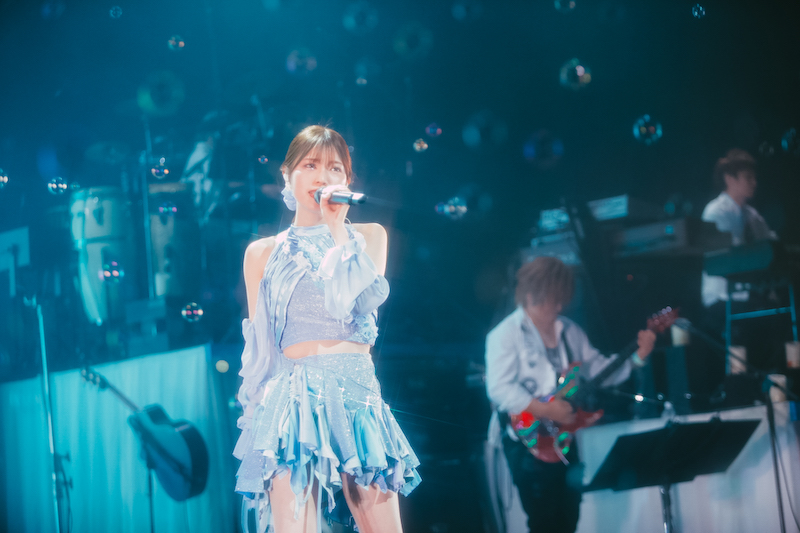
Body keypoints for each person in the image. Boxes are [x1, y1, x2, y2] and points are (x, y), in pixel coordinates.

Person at [233, 125, 420, 533]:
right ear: (287, 175)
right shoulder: (261, 253)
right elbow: (260, 348)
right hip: (292, 401)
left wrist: (338, 228)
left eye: (335, 168)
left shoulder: (368, 237)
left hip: (357, 395)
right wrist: (258, 420)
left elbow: (357, 302)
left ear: (347, 180)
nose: (323, 176)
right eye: (310, 165)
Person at [485, 257, 655, 533]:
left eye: (561, 299)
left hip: (564, 437)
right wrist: (544, 410)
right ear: (532, 294)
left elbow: (599, 370)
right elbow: (498, 388)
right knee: (544, 521)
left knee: (569, 518)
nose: (558, 307)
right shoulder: (505, 335)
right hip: (527, 439)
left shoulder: (569, 331)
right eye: (551, 299)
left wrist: (637, 358)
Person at [701, 148, 776, 308]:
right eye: (748, 178)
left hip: (750, 295)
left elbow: (772, 244)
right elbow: (731, 258)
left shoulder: (752, 215)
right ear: (729, 179)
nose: (754, 183)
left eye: (754, 178)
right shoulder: (715, 212)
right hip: (722, 298)